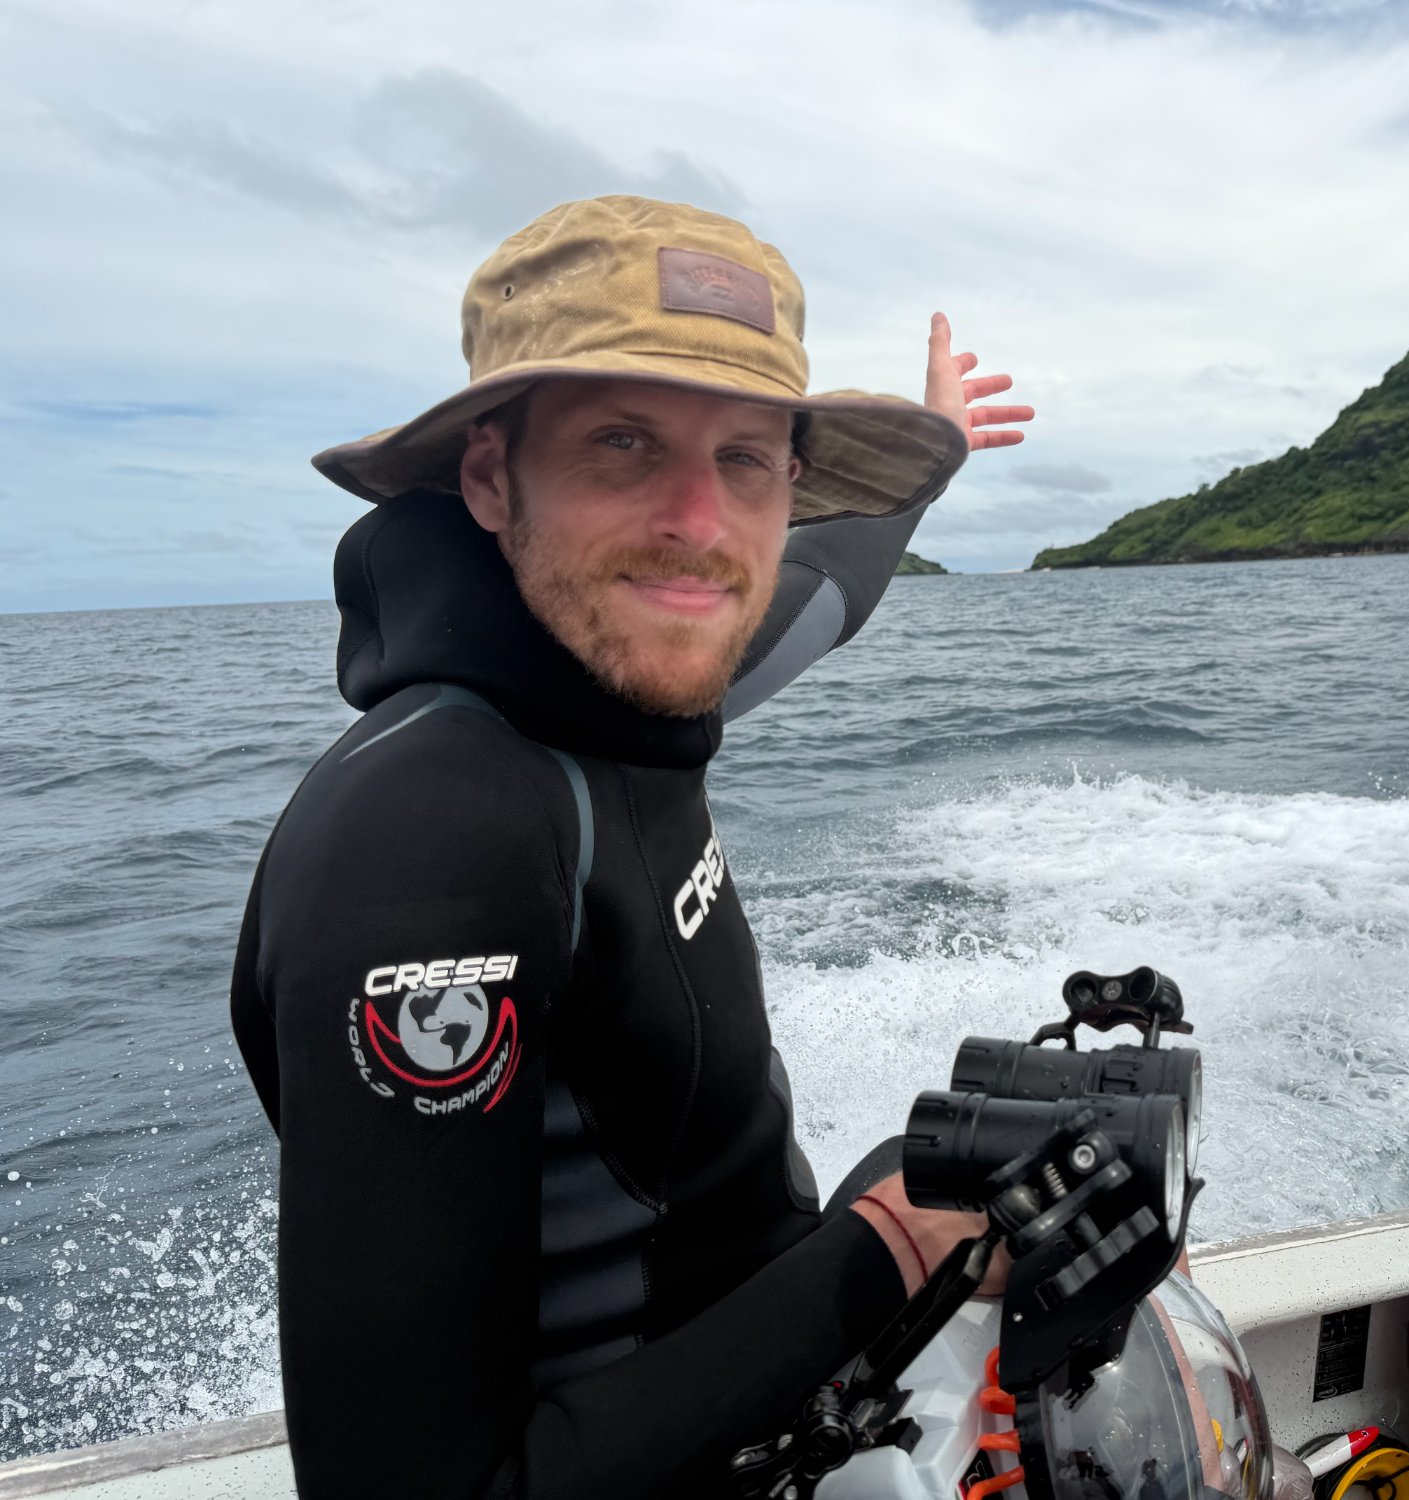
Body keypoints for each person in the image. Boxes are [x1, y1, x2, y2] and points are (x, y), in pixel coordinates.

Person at [229, 195, 1033, 1498]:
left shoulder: (632, 686)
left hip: (775, 1392)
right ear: (489, 477)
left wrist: (930, 451)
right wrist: (889, 1246)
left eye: (749, 459)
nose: (701, 525)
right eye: (622, 443)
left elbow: (827, 586)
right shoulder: (427, 841)